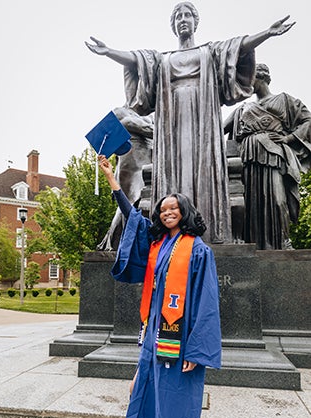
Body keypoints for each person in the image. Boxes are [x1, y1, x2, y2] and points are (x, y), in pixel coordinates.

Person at [86, 3, 295, 244]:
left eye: (188, 15)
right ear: (173, 26)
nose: (183, 20)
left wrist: (267, 33)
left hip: (202, 124)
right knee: (172, 172)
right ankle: (170, 232)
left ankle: (207, 229)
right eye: (178, 17)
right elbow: (137, 60)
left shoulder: (209, 52)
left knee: (204, 170)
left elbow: (236, 47)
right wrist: (109, 51)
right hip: (172, 128)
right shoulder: (162, 59)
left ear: (196, 22)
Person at [98, 154, 221, 418]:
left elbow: (208, 304)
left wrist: (197, 351)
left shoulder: (198, 251)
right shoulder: (157, 246)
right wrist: (111, 179)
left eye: (174, 209)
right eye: (163, 209)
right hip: (153, 335)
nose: (167, 213)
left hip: (180, 341)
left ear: (185, 213)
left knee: (174, 402)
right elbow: (132, 219)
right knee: (139, 391)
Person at [224, 63, 311, 249]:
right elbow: (218, 127)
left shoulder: (284, 100)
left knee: (277, 199)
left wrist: (288, 138)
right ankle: (252, 244)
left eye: (250, 77)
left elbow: (308, 121)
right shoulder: (243, 108)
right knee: (251, 203)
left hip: (273, 155)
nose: (246, 82)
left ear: (261, 77)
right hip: (247, 158)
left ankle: (281, 242)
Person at [97, 106, 154, 251]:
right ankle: (115, 243)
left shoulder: (145, 116)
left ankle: (113, 243)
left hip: (145, 163)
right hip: (131, 166)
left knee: (131, 204)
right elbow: (153, 131)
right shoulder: (126, 118)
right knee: (131, 203)